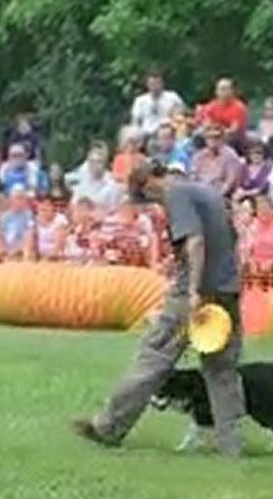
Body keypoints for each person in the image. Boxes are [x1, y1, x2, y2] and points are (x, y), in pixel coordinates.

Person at [73, 161, 244, 457]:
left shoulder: (176, 194)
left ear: (152, 180)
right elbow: (233, 239)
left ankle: (108, 428)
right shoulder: (209, 193)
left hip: (193, 293)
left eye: (149, 196)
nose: (154, 202)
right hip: (226, 290)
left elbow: (195, 241)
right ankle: (232, 444)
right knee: (221, 369)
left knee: (153, 358)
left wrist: (193, 290)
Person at [130, 72, 184, 141]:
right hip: (147, 134)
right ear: (147, 85)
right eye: (152, 84)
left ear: (162, 84)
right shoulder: (140, 101)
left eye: (158, 83)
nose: (155, 87)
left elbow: (181, 115)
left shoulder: (172, 97)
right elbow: (135, 121)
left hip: (168, 132)